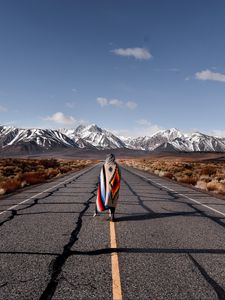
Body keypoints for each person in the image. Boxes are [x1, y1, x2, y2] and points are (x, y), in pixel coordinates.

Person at [94, 153, 121, 221]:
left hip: (105, 187)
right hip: (114, 186)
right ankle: (112, 216)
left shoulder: (104, 166)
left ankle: (110, 215)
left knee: (106, 199)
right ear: (113, 158)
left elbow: (101, 177)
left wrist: (103, 184)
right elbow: (119, 176)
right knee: (113, 200)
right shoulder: (116, 166)